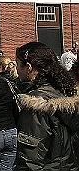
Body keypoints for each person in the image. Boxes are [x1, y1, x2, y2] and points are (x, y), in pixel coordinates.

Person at [15, 42, 79, 170]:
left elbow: (30, 158)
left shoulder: (36, 103)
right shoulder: (64, 91)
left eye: (17, 64)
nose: (16, 69)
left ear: (28, 67)